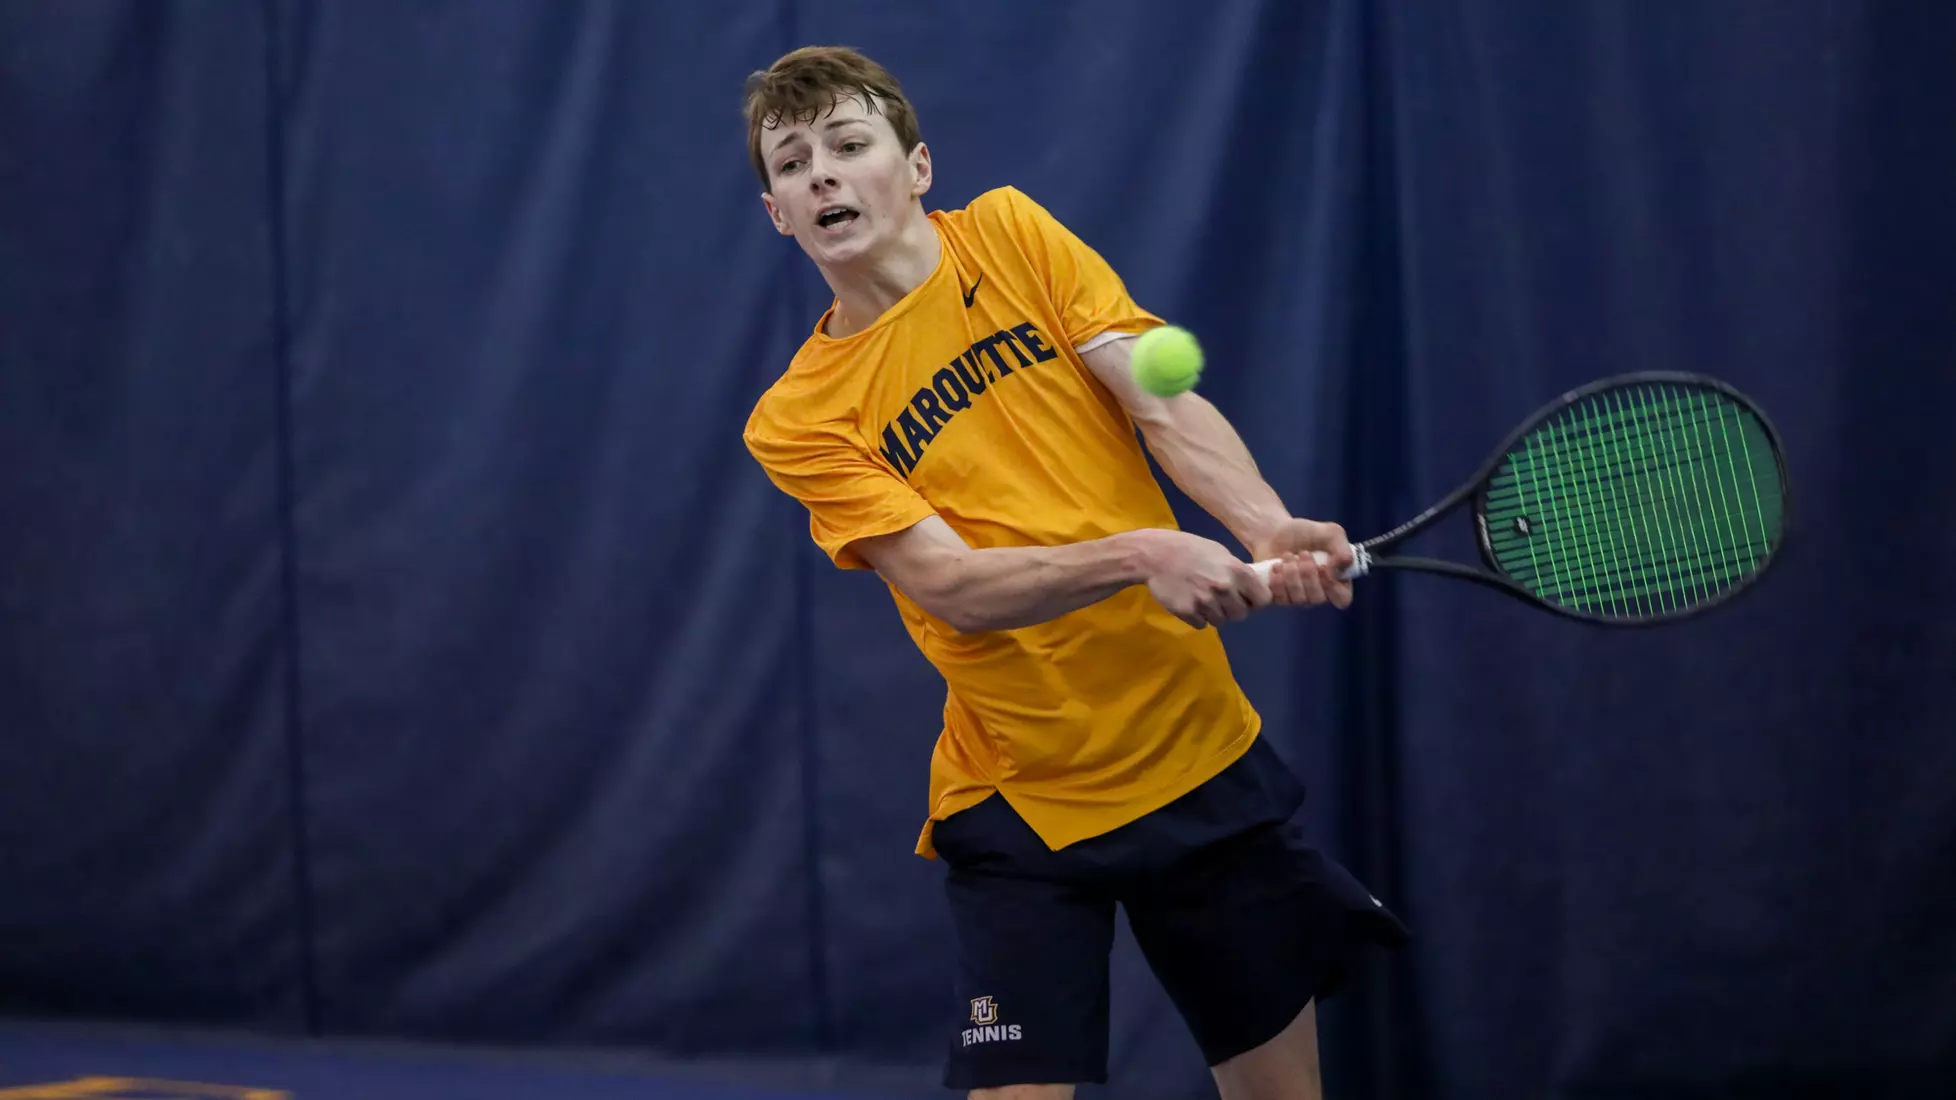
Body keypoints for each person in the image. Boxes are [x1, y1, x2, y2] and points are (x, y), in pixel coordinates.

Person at [739, 46, 1407, 1100]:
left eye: (849, 144)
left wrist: (1264, 521)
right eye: (792, 163)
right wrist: (1144, 554)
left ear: (917, 167)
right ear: (779, 213)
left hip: (1190, 748)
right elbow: (953, 587)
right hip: (1022, 793)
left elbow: (1156, 396)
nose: (821, 172)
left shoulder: (1013, 233)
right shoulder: (799, 418)